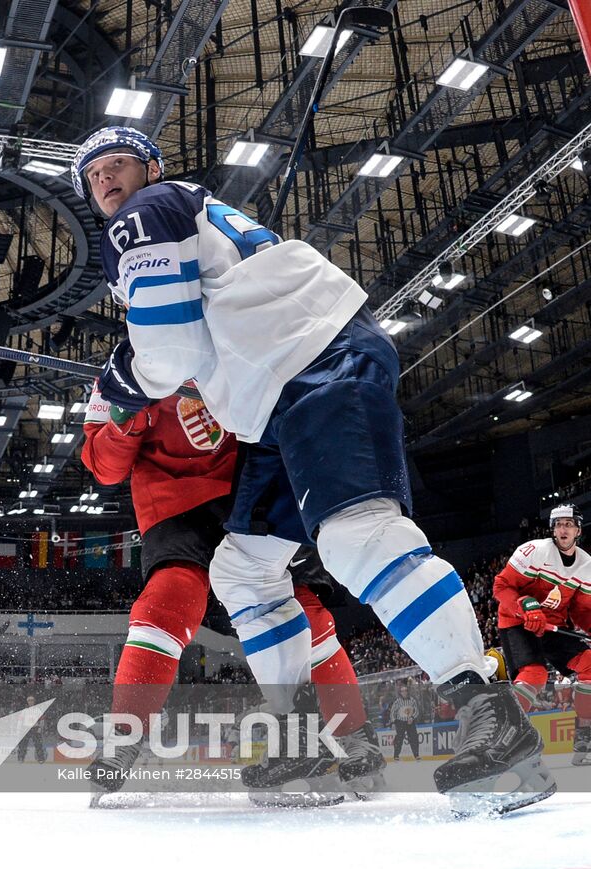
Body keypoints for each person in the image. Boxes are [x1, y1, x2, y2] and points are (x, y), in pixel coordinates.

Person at [72, 124, 550, 814]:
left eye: (116, 165)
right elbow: (196, 352)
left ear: (151, 167)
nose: (105, 182)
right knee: (243, 569)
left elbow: (166, 354)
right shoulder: (180, 214)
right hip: (280, 394)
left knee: (357, 535)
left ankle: (492, 719)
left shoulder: (149, 214)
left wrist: (119, 382)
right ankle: (303, 738)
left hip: (318, 364)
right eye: (92, 177)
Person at [79, 382, 383, 801]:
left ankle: (351, 738)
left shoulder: (233, 331)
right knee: (167, 602)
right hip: (174, 504)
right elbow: (103, 467)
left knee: (302, 611)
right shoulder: (121, 372)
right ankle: (123, 736)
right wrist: (125, 419)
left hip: (254, 485)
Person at [491, 504, 591, 761]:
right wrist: (525, 605)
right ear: (553, 530)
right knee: (533, 675)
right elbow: (501, 586)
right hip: (517, 622)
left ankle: (584, 737)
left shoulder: (586, 565)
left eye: (568, 524)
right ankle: (503, 739)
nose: (563, 529)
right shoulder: (534, 551)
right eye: (558, 524)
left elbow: (581, 611)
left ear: (578, 529)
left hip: (553, 626)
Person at [388, 682, 422, 761]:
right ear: (400, 692)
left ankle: (416, 755)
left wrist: (412, 717)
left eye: (406, 690)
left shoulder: (412, 700)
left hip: (410, 722)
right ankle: (396, 756)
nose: (404, 692)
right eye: (403, 691)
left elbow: (416, 710)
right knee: (399, 739)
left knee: (414, 738)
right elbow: (393, 712)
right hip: (400, 722)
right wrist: (393, 722)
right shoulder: (398, 701)